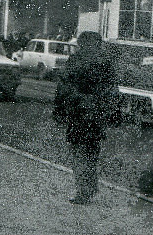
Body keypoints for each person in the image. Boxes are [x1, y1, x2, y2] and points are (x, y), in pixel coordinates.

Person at [52, 31, 118, 205]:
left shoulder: (76, 60)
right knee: (91, 152)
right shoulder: (106, 62)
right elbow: (113, 91)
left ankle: (83, 191)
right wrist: (111, 113)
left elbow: (63, 87)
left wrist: (59, 111)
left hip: (78, 113)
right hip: (97, 116)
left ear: (81, 44)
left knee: (78, 152)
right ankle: (90, 186)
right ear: (98, 44)